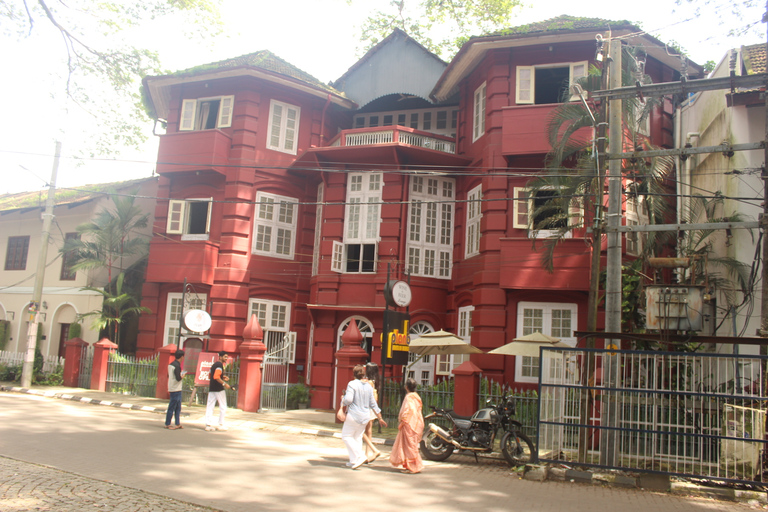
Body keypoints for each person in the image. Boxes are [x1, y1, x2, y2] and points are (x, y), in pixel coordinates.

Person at [341, 364, 387, 469]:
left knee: (346, 436)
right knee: (357, 437)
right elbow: (373, 404)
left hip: (354, 415)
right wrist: (380, 417)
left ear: (354, 375)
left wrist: (343, 399)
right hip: (365, 416)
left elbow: (348, 400)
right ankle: (354, 460)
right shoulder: (368, 386)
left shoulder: (352, 384)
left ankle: (360, 456)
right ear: (363, 374)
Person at [389, 378, 424, 474]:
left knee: (410, 445)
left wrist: (403, 420)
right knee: (411, 445)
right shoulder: (417, 396)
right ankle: (409, 465)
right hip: (417, 422)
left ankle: (414, 467)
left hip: (409, 423)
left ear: (406, 387)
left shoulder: (409, 397)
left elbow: (410, 410)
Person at [205, 351, 232, 432]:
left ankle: (208, 425)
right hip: (219, 389)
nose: (226, 358)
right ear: (220, 357)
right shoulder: (220, 365)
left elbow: (210, 376)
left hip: (212, 388)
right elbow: (216, 377)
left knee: (210, 406)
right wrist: (224, 384)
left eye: (227, 357)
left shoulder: (214, 365)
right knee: (223, 406)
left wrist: (222, 377)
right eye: (225, 357)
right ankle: (221, 424)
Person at [362, 362, 382, 463]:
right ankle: (366, 453)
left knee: (360, 430)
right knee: (368, 431)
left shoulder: (368, 382)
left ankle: (371, 451)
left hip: (366, 408)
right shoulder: (376, 381)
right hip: (371, 409)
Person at [165, 349, 185, 430]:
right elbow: (178, 378)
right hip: (176, 389)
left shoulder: (171, 365)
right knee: (173, 407)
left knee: (177, 407)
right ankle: (168, 423)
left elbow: (170, 375)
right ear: (181, 357)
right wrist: (182, 375)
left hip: (172, 387)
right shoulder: (177, 366)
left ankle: (177, 423)